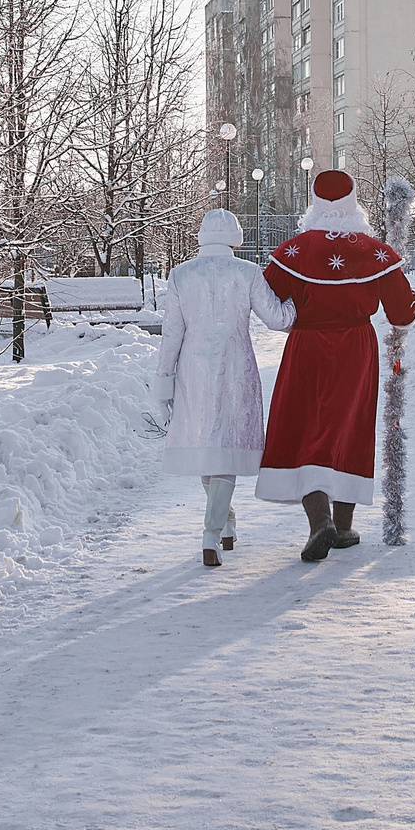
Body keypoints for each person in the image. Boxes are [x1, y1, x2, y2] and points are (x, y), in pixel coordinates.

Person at [258, 170, 415, 563]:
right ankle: (344, 526)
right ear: (354, 204)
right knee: (350, 428)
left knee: (305, 429)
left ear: (314, 205)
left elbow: (267, 298)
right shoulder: (376, 253)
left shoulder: (293, 252)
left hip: (306, 347)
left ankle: (320, 522)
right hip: (355, 350)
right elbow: (403, 313)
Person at [155, 208, 295, 568]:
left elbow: (172, 334)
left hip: (193, 370)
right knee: (226, 445)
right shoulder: (247, 272)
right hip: (236, 367)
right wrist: (298, 300)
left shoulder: (181, 275)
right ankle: (212, 532)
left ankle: (224, 521)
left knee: (208, 445)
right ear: (236, 237)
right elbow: (278, 319)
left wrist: (164, 380)